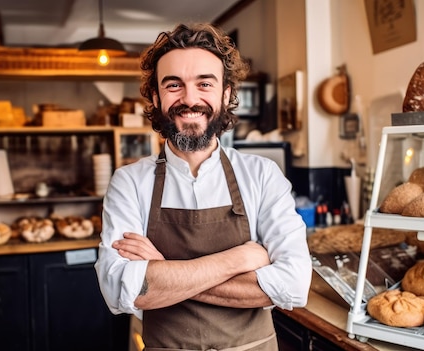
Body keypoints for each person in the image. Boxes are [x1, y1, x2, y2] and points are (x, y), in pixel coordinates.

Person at [94, 23, 312, 351]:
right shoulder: (130, 183)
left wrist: (162, 271)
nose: (190, 98)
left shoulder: (263, 176)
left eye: (204, 83)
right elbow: (120, 290)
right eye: (173, 85)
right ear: (155, 96)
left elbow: (294, 286)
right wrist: (240, 258)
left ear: (225, 94)